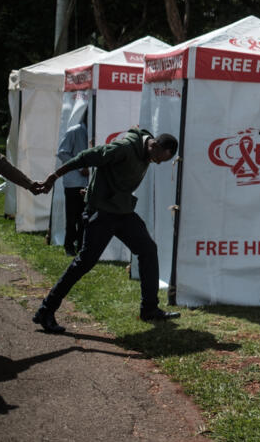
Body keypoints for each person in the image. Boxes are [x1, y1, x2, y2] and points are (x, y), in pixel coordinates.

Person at [32, 128, 181, 334]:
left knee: (148, 249)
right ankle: (46, 310)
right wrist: (55, 176)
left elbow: (110, 174)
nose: (157, 163)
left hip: (122, 211)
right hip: (102, 214)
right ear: (154, 145)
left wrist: (96, 187)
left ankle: (149, 309)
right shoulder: (124, 148)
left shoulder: (147, 152)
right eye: (158, 158)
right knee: (84, 262)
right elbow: (86, 157)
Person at [57, 115, 89, 255]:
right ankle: (69, 246)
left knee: (84, 218)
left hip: (87, 183)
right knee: (72, 218)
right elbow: (62, 153)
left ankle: (81, 246)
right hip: (74, 182)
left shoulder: (93, 132)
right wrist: (80, 167)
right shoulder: (75, 130)